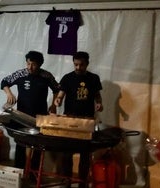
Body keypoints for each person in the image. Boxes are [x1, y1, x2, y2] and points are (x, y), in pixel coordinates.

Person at [1, 50, 60, 169]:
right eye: (28, 64)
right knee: (21, 143)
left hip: (39, 116)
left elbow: (57, 89)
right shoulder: (21, 74)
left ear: (40, 65)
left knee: (38, 144)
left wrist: (53, 105)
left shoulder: (46, 76)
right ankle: (18, 170)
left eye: (33, 64)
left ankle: (34, 173)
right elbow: (4, 82)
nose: (30, 67)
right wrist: (9, 94)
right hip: (21, 115)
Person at [54, 51, 103, 188]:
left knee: (85, 154)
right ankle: (66, 181)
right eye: (76, 64)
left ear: (87, 64)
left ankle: (83, 183)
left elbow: (97, 96)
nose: (78, 67)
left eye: (81, 65)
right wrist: (57, 100)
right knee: (66, 153)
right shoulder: (67, 78)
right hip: (69, 120)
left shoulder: (94, 78)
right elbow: (61, 95)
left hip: (87, 121)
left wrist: (99, 103)